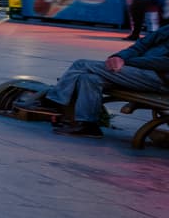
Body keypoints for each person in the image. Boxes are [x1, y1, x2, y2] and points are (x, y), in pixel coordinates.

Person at [31, 23, 169, 136]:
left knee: (82, 64)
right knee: (89, 78)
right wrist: (120, 57)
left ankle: (53, 102)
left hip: (159, 78)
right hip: (138, 71)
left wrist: (128, 62)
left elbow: (163, 63)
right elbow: (141, 45)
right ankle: (87, 125)